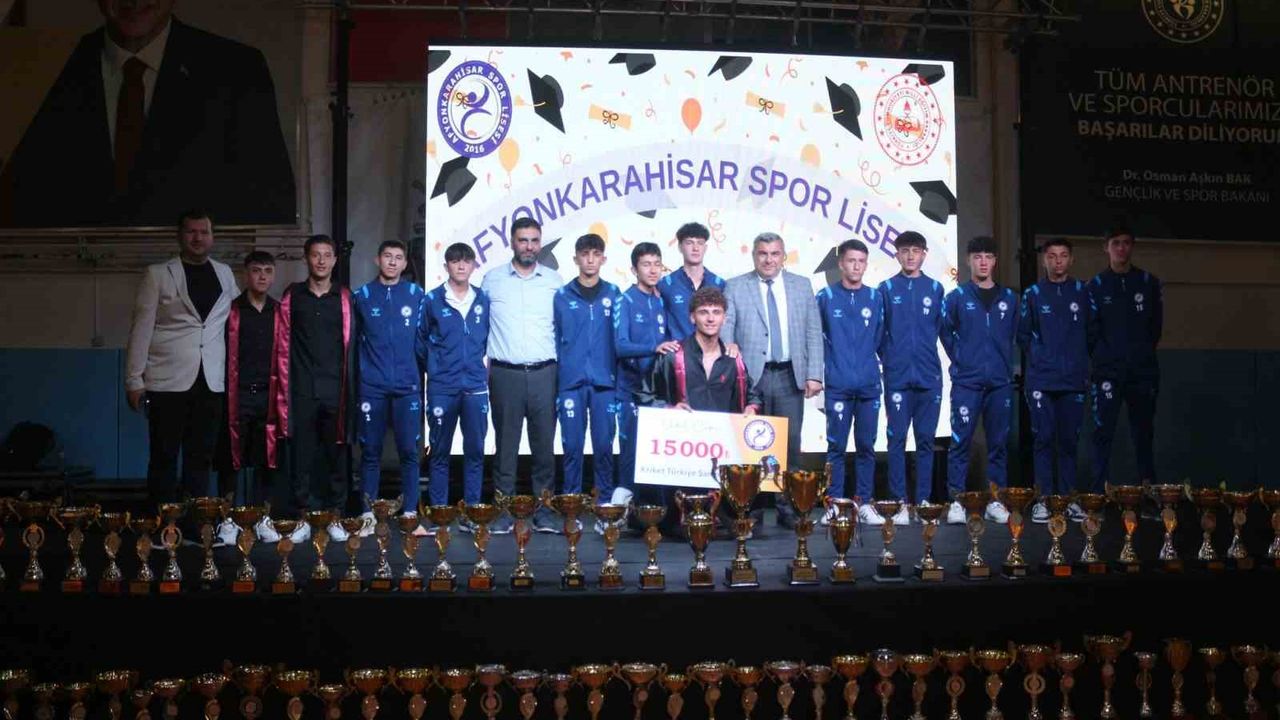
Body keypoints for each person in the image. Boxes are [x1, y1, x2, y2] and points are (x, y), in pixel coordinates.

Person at [0, 0, 295, 227]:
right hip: (62, 281)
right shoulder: (41, 70)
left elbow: (270, 205)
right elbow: (16, 204)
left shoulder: (237, 70)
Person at [125, 209, 237, 513]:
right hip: (166, 382)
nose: (198, 238)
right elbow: (141, 328)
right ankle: (163, 526)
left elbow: (236, 322)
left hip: (211, 382)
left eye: (204, 232)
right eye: (191, 232)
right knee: (164, 456)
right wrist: (134, 379)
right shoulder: (158, 274)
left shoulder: (225, 273)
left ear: (212, 237)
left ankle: (195, 525)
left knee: (201, 458)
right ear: (180, 236)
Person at [722, 232, 824, 530]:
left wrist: (814, 373)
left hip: (790, 374)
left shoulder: (801, 285)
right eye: (763, 254)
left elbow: (813, 331)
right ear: (754, 256)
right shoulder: (736, 286)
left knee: (790, 444)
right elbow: (727, 324)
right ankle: (749, 509)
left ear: (784, 257)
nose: (769, 260)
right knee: (750, 443)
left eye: (775, 254)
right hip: (751, 377)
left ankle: (788, 508)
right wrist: (729, 344)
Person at [639, 286, 762, 534]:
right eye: (704, 312)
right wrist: (669, 409)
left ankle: (722, 515)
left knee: (734, 528)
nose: (710, 318)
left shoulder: (734, 360)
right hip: (681, 459)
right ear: (692, 317)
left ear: (724, 317)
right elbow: (644, 396)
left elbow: (753, 394)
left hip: (723, 455)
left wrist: (751, 407)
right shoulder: (672, 356)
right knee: (675, 529)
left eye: (716, 312)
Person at [269, 234, 356, 543]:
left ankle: (336, 515)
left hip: (336, 389)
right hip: (302, 388)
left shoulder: (344, 298)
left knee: (337, 455)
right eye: (315, 254)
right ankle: (302, 516)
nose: (321, 260)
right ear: (306, 258)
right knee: (301, 455)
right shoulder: (292, 296)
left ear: (335, 260)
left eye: (326, 255)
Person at [481, 217, 560, 534]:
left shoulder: (554, 281)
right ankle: (503, 510)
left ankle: (544, 511)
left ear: (540, 243)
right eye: (523, 240)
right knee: (505, 447)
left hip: (545, 373)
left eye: (534, 240)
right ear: (512, 242)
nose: (529, 246)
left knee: (544, 448)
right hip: (505, 374)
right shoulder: (492, 280)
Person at [353, 241, 429, 537]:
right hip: (372, 387)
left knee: (409, 452)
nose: (393, 262)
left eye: (398, 258)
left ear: (405, 263)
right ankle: (367, 515)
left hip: (407, 387)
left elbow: (424, 341)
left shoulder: (416, 295)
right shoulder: (362, 296)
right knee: (370, 452)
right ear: (377, 260)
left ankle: (410, 513)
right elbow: (352, 342)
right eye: (388, 256)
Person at [941, 236, 1019, 525]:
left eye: (988, 256)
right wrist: (962, 360)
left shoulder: (1010, 298)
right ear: (968, 261)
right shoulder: (956, 297)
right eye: (977, 257)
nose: (983, 262)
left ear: (995, 261)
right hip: (967, 383)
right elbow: (945, 332)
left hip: (999, 383)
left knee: (998, 443)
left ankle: (995, 501)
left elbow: (1015, 335)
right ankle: (957, 501)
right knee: (960, 442)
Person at [1018, 239, 1093, 523]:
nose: (1057, 261)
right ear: (1044, 261)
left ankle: (1069, 499)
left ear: (1071, 260)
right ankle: (1043, 500)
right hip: (1041, 381)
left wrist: (1077, 361)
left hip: (1073, 380)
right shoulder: (1033, 294)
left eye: (1062, 256)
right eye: (1051, 256)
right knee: (1044, 439)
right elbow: (1023, 335)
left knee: (1069, 441)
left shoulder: (1082, 292)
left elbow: (1093, 332)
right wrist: (1043, 358)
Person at [553, 234, 624, 528]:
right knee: (572, 448)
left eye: (596, 254)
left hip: (605, 383)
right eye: (585, 254)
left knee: (604, 447)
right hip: (571, 383)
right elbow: (555, 338)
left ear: (603, 259)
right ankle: (571, 511)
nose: (590, 259)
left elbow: (620, 338)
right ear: (576, 259)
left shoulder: (615, 294)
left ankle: (604, 508)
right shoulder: (562, 295)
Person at [1088, 224, 1162, 493]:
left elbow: (1155, 328)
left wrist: (1139, 355)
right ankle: (1098, 493)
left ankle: (1148, 489)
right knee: (1102, 433)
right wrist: (1107, 359)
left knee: (1143, 432)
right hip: (1107, 374)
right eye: (1116, 243)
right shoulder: (1095, 286)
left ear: (1132, 246)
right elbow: (1091, 332)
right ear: (1106, 247)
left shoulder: (1148, 283)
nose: (1121, 248)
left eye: (1126, 243)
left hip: (1142, 372)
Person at [816, 239, 885, 526]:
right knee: (836, 448)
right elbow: (817, 339)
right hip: (838, 385)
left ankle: (864, 502)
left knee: (867, 446)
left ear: (865, 264)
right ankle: (834, 503)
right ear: (841, 264)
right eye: (851, 260)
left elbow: (880, 336)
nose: (856, 266)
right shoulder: (825, 297)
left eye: (861, 261)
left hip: (869, 385)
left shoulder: (876, 297)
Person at [877, 231, 944, 526]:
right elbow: (878, 332)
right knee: (896, 439)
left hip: (929, 377)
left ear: (924, 254)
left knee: (926, 440)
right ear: (896, 254)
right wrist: (891, 359)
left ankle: (924, 501)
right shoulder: (886, 288)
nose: (910, 256)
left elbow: (943, 330)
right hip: (897, 377)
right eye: (904, 251)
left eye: (915, 250)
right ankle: (900, 502)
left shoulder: (936, 288)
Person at [422, 243, 491, 530]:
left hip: (475, 387)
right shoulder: (432, 300)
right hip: (443, 388)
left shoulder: (483, 299)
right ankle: (440, 514)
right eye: (455, 261)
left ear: (474, 265)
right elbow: (420, 342)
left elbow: (488, 339)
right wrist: (438, 369)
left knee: (475, 452)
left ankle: (472, 513)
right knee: (439, 453)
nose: (461, 266)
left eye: (466, 261)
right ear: (446, 266)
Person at [223, 250, 290, 545]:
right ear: (245, 274)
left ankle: (263, 518)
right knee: (232, 460)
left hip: (268, 396)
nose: (262, 276)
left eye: (267, 271)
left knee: (267, 460)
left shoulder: (280, 312)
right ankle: (229, 519)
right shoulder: (231, 311)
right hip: (236, 396)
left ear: (273, 275)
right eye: (256, 270)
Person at [615, 242, 680, 510]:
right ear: (634, 270)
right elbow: (620, 346)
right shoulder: (626, 300)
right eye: (646, 264)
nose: (653, 270)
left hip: (656, 393)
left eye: (657, 264)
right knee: (630, 453)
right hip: (630, 390)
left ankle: (652, 512)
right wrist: (653, 348)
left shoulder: (661, 300)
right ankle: (618, 512)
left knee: (656, 453)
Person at [658, 222, 727, 340]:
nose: (695, 248)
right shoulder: (665, 285)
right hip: (678, 350)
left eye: (700, 243)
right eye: (689, 243)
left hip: (710, 349)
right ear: (680, 247)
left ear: (705, 248)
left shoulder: (719, 284)